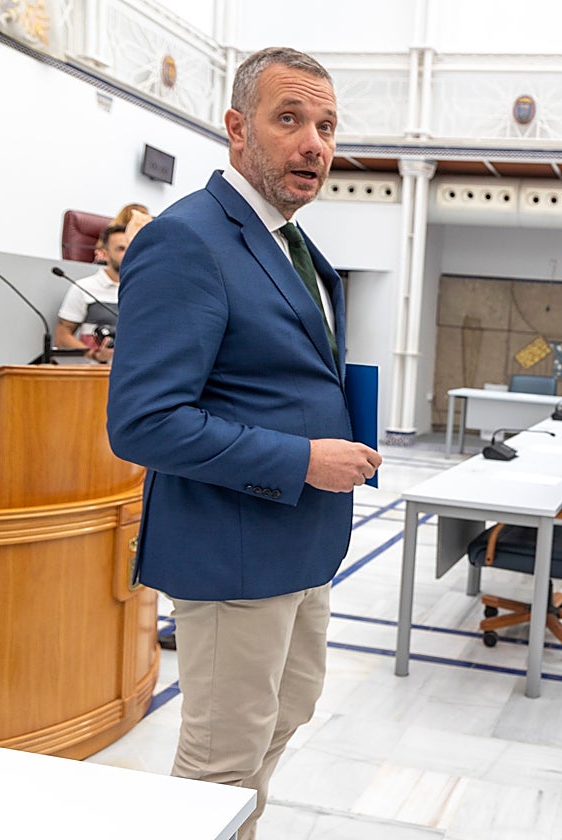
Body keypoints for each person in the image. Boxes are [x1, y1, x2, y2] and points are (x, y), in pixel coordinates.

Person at [106, 47, 381, 840]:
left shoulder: (294, 246)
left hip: (300, 540)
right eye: (289, 119)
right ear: (235, 129)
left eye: (326, 126)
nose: (314, 144)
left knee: (283, 718)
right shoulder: (188, 239)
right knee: (219, 762)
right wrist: (302, 459)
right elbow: (144, 423)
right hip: (232, 550)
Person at [54, 223, 127, 364]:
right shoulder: (84, 288)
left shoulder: (143, 289)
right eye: (121, 249)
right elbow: (62, 336)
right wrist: (95, 355)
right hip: (96, 375)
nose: (128, 253)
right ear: (104, 254)